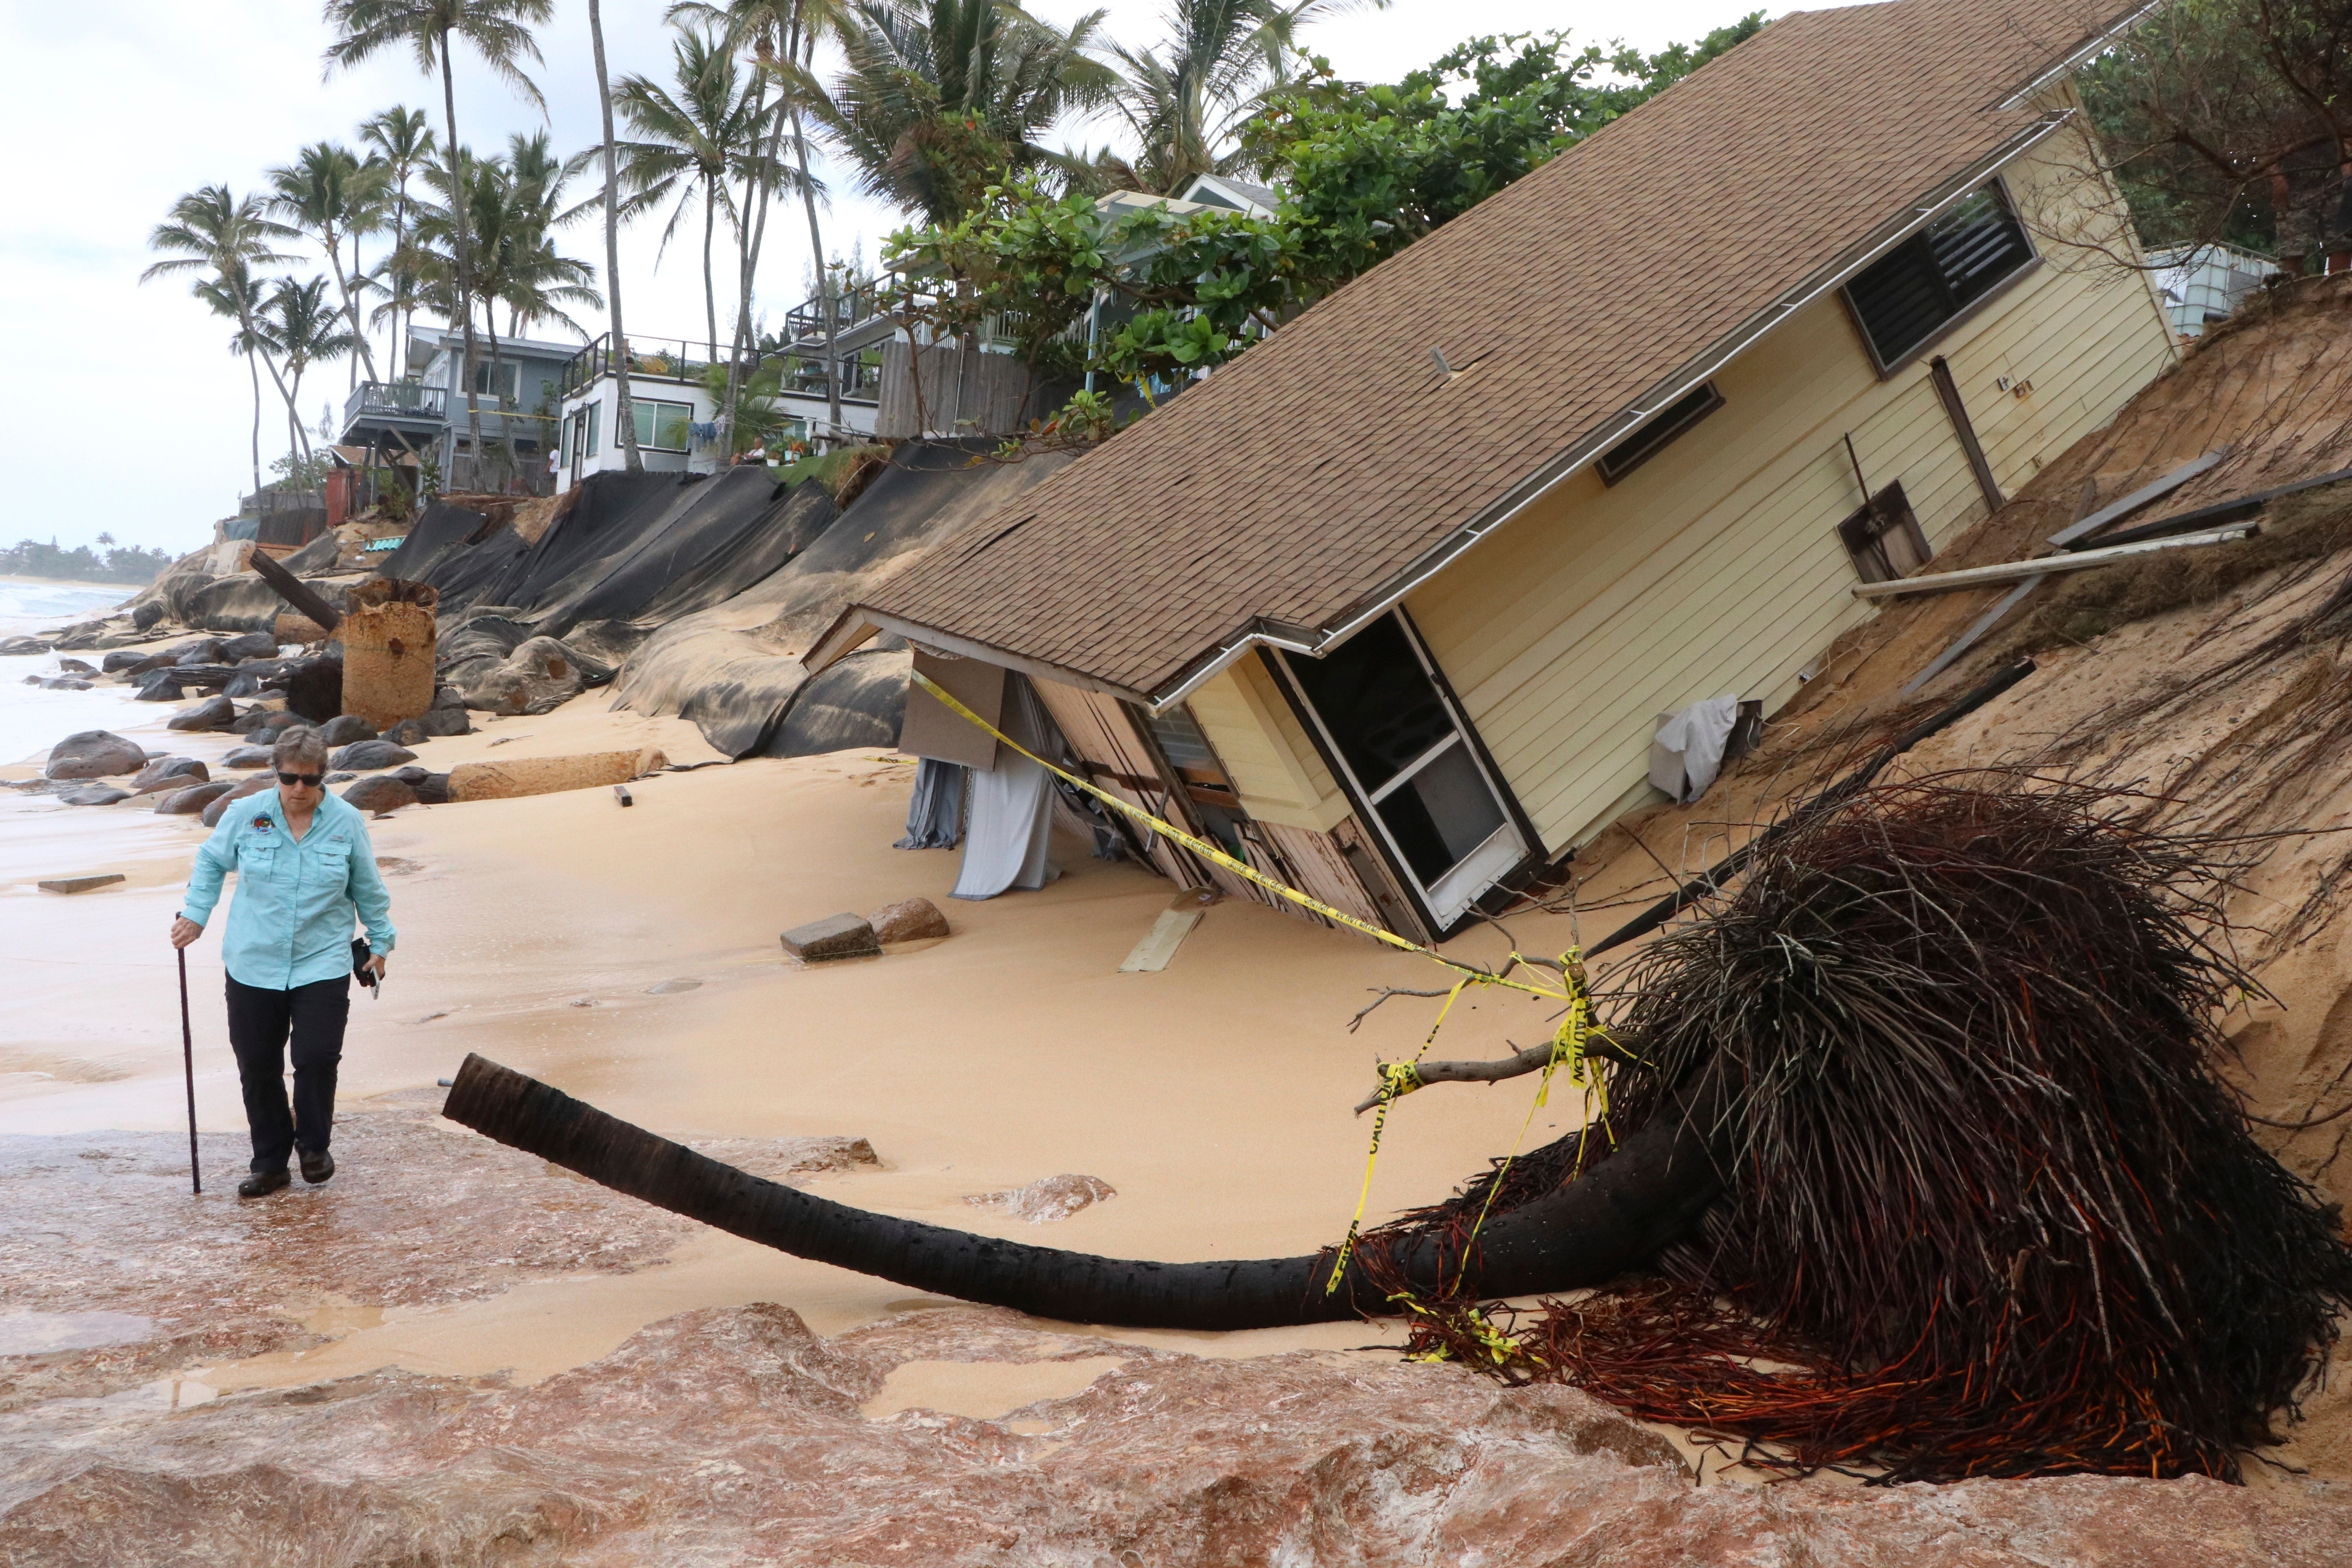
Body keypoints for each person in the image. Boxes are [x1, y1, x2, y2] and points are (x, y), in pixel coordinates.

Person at [171, 729, 396, 1198]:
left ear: (322, 777)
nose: (299, 788)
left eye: (309, 780)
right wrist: (195, 915)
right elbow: (212, 862)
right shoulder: (245, 814)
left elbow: (368, 887)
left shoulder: (346, 821)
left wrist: (381, 942)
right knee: (258, 1066)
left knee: (316, 1058)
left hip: (323, 961)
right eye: (289, 777)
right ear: (276, 773)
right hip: (253, 960)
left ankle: (314, 1148)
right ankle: (270, 1163)